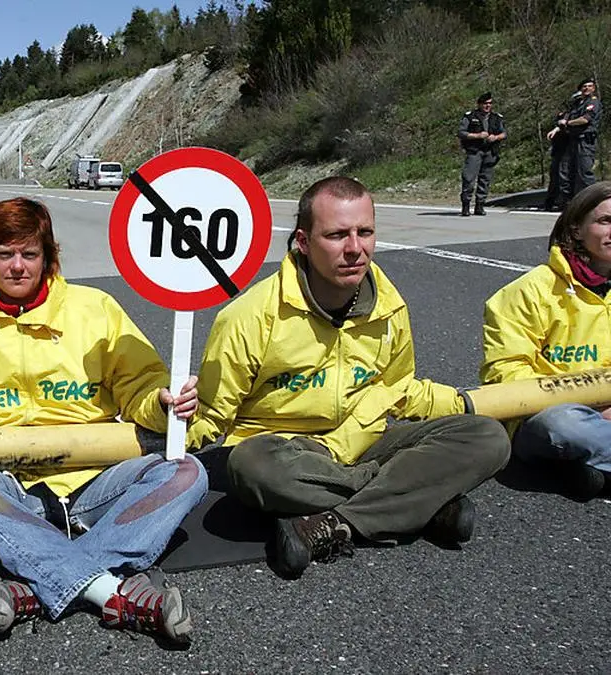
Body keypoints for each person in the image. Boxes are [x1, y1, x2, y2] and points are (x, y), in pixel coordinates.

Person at [0, 197, 208, 644]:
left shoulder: (96, 309)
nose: (16, 267)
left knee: (186, 470)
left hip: (97, 481)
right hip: (13, 491)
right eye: (4, 254)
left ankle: (34, 583)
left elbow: (143, 382)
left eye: (29, 254)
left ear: (49, 257)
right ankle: (113, 589)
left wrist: (163, 402)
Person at [189, 176, 510, 579]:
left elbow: (399, 389)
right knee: (250, 467)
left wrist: (464, 404)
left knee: (487, 437)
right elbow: (213, 416)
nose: (355, 249)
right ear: (303, 242)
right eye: (337, 235)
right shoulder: (248, 317)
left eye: (365, 232)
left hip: (365, 443)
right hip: (288, 456)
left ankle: (337, 521)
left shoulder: (389, 306)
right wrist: (163, 425)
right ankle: (416, 501)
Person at [482, 182, 611, 501]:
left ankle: (590, 468)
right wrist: (594, 403)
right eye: (606, 221)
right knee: (566, 425)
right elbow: (506, 378)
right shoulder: (527, 292)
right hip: (545, 414)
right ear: (576, 229)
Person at [550, 78, 602, 209]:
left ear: (593, 88)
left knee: (584, 173)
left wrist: (568, 123)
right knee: (565, 171)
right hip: (572, 141)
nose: (586, 89)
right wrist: (557, 128)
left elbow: (585, 120)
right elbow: (567, 117)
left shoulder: (593, 103)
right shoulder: (578, 104)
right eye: (584, 86)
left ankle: (592, 203)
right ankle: (567, 203)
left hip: (585, 141)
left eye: (589, 86)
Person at [458, 92, 507, 217]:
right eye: (485, 104)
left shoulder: (496, 118)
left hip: (490, 151)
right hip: (475, 151)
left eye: (490, 104)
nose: (488, 106)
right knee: (469, 178)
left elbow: (504, 134)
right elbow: (462, 133)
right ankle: (466, 205)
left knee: (485, 179)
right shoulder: (470, 117)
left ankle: (480, 205)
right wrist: (477, 136)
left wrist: (495, 137)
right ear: (479, 104)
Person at [545, 90, 583, 212]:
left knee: (564, 174)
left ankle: (565, 201)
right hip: (558, 149)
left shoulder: (577, 115)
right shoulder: (565, 115)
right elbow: (558, 125)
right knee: (555, 175)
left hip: (569, 148)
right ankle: (551, 201)